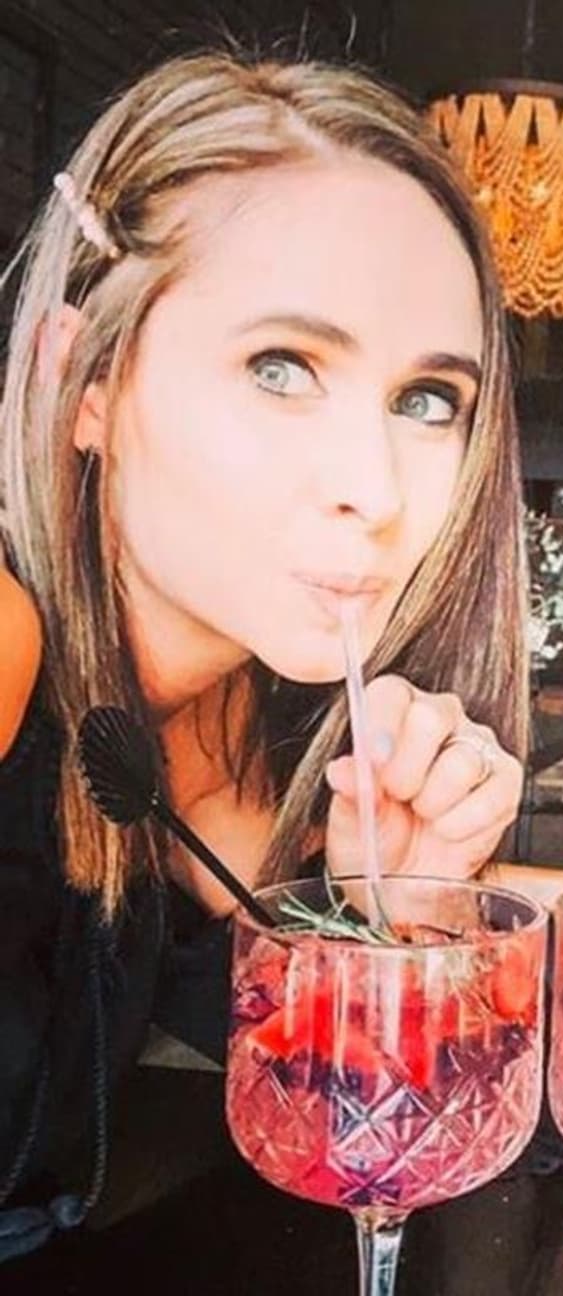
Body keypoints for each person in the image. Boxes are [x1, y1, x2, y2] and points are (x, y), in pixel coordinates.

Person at [0, 51, 528, 1261]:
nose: (375, 491)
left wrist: (393, 923)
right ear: (82, 383)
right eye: (281, 370)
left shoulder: (248, 738)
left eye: (426, 400)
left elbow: (361, 1156)